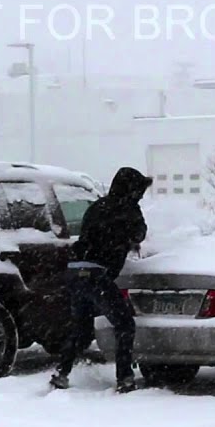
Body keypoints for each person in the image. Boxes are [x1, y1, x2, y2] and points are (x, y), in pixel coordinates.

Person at [50, 167, 153, 393]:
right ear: (131, 189)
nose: (141, 195)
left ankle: (61, 373)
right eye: (139, 190)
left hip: (77, 271)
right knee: (124, 324)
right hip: (97, 274)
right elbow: (139, 234)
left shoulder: (97, 206)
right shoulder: (128, 208)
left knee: (82, 330)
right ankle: (125, 378)